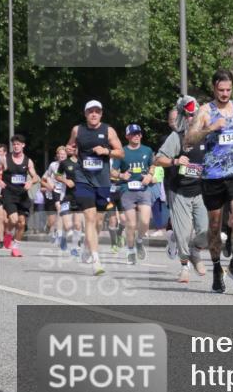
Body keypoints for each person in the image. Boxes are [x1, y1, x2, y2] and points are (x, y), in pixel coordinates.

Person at [185, 71, 233, 293]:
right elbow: (188, 139)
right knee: (214, 227)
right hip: (213, 175)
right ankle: (216, 268)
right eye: (220, 90)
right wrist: (210, 128)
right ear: (214, 88)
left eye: (228, 90)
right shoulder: (205, 111)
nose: (225, 94)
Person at [155, 95, 209, 283]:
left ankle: (196, 253)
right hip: (179, 191)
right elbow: (158, 159)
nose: (191, 119)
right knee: (183, 233)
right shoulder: (177, 136)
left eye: (194, 116)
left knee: (206, 230)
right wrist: (175, 161)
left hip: (201, 191)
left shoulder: (206, 135)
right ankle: (184, 267)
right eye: (187, 116)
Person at [67, 101, 124, 276]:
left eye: (97, 111)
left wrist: (106, 151)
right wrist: (69, 150)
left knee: (98, 221)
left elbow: (121, 152)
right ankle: (96, 259)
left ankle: (87, 247)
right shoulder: (77, 130)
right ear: (85, 114)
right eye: (90, 111)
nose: (94, 114)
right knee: (89, 217)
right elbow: (69, 147)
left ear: (101, 114)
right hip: (83, 180)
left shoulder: (108, 130)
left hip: (103, 181)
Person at [119, 124, 155, 265]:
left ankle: (139, 241)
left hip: (143, 189)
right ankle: (130, 250)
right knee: (131, 224)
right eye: (133, 134)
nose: (137, 136)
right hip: (127, 190)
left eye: (139, 133)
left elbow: (152, 165)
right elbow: (113, 171)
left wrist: (150, 175)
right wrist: (122, 175)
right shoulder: (121, 152)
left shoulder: (147, 150)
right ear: (127, 136)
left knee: (145, 222)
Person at [0, 134, 40, 258]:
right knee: (14, 219)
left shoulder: (28, 161)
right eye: (14, 144)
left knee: (22, 223)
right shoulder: (5, 159)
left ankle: (15, 248)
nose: (16, 146)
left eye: (18, 144)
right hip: (8, 193)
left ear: (23, 145)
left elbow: (36, 177)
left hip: (22, 194)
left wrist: (30, 182)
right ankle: (7, 233)